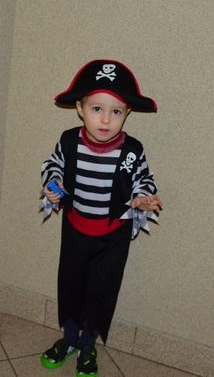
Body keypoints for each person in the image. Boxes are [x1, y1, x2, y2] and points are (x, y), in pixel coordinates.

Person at [39, 59, 163, 377]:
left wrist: (141, 198)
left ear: (127, 113)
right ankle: (69, 339)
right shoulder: (69, 141)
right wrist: (53, 186)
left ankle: (87, 345)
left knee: (101, 291)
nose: (106, 119)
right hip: (76, 230)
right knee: (71, 286)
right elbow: (53, 166)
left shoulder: (132, 150)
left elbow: (143, 180)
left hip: (113, 237)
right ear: (80, 108)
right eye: (97, 109)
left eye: (116, 111)